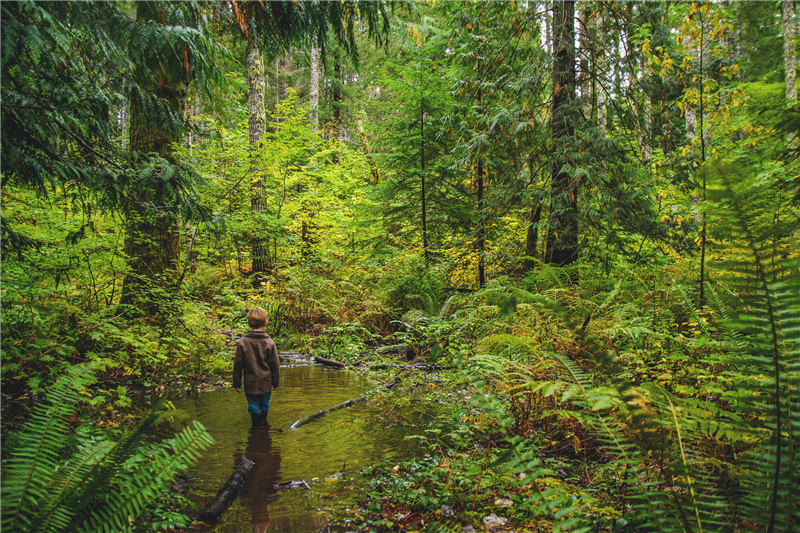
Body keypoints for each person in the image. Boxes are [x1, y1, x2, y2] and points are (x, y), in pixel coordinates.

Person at [233, 307, 280, 427]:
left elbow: (238, 364)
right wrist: (276, 382)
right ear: (266, 322)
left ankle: (257, 426)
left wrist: (236, 383)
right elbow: (275, 365)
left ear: (248, 323)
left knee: (253, 405)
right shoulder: (269, 342)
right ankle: (263, 424)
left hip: (250, 381)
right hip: (266, 381)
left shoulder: (243, 342)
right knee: (264, 404)